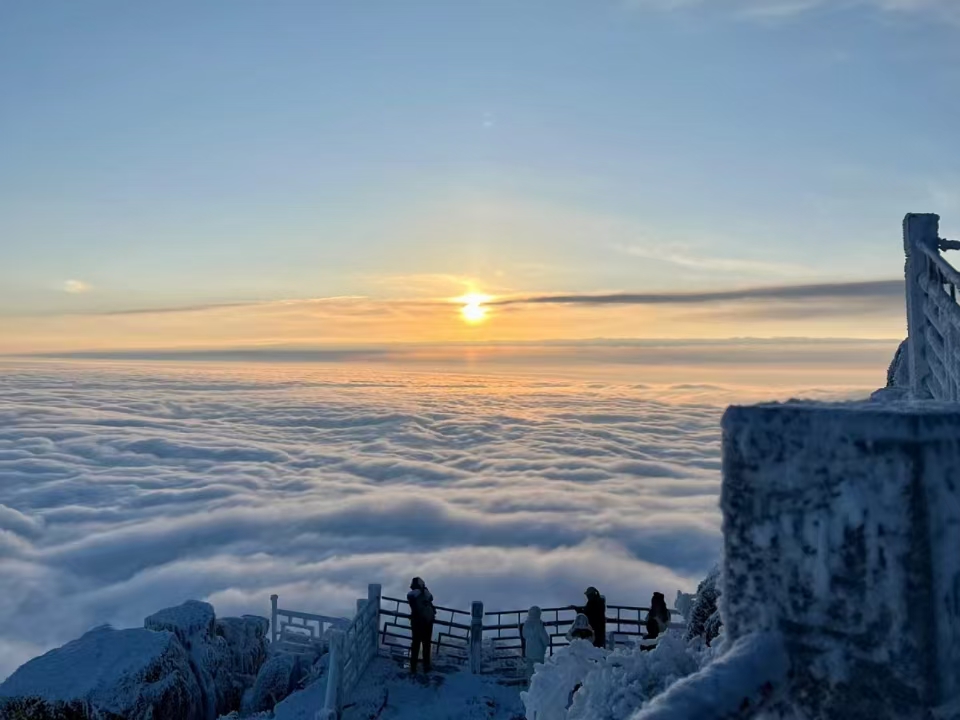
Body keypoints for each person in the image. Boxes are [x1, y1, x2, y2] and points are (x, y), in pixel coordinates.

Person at [406, 577, 436, 674]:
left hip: (417, 622)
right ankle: (426, 666)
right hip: (427, 621)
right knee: (426, 644)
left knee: (416, 644)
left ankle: (413, 666)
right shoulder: (422, 593)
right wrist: (423, 590)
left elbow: (410, 597)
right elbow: (431, 598)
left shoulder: (413, 594)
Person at [522, 606, 550, 678]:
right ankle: (537, 687)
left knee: (530, 672)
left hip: (529, 652)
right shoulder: (539, 624)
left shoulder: (526, 624)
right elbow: (545, 639)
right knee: (538, 672)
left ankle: (530, 687)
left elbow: (524, 634)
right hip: (539, 652)